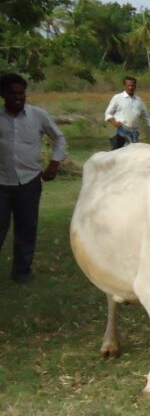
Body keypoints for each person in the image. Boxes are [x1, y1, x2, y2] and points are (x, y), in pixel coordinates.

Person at [0, 73, 67, 283]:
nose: (18, 98)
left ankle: (22, 272)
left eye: (21, 93)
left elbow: (58, 138)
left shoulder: (38, 115)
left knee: (26, 228)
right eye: (13, 93)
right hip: (1, 182)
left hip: (29, 182)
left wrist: (54, 164)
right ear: (3, 94)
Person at [105, 76, 150, 147]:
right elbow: (108, 113)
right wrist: (114, 122)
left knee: (132, 155)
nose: (130, 87)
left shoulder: (139, 100)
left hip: (134, 133)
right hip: (121, 131)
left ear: (135, 86)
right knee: (118, 154)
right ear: (124, 86)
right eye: (128, 85)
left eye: (132, 85)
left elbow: (147, 118)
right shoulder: (117, 98)